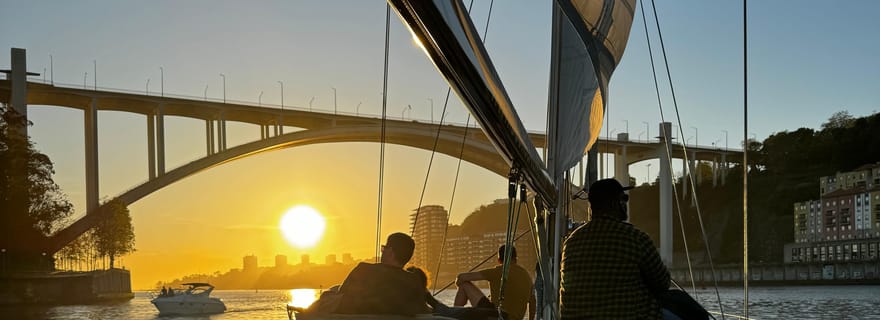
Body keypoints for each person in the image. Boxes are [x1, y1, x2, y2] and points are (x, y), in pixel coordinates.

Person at [560, 178, 671, 319]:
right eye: (624, 199)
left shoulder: (571, 242)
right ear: (614, 204)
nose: (626, 204)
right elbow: (662, 282)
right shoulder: (635, 238)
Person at [333, 232, 429, 315]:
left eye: (383, 249)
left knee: (330, 295)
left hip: (360, 313)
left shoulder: (364, 270)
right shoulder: (414, 281)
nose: (382, 252)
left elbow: (342, 294)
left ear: (391, 252)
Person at [455, 245, 536, 320]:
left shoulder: (498, 271)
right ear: (516, 259)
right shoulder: (526, 276)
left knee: (464, 284)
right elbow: (532, 302)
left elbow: (461, 277)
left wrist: (458, 285)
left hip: (498, 316)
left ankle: (455, 316)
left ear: (499, 260)